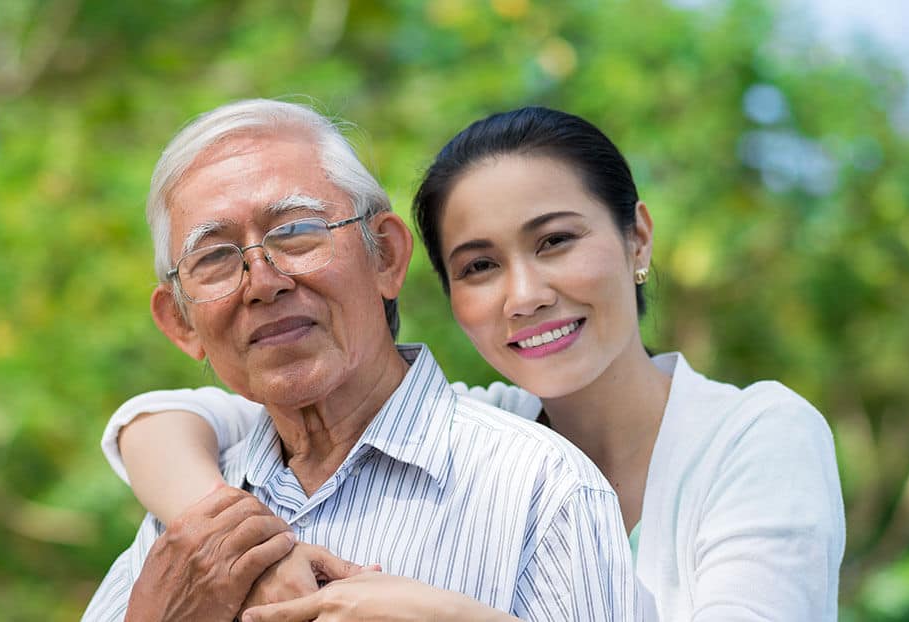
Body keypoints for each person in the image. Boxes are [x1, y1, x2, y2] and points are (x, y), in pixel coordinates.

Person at [102, 106, 846, 620]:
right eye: (480, 265)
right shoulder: (486, 413)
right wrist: (213, 534)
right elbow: (172, 417)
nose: (525, 295)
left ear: (637, 239)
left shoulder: (747, 436)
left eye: (555, 240)